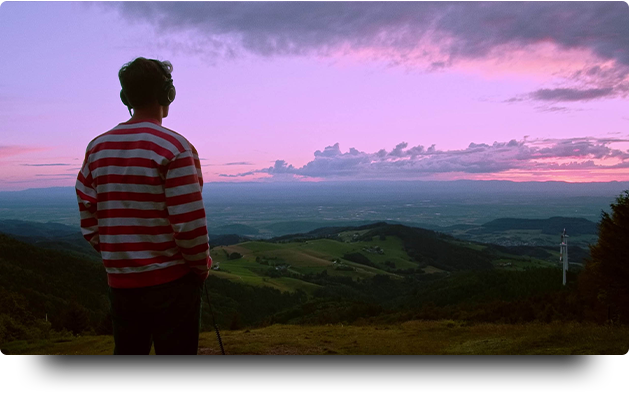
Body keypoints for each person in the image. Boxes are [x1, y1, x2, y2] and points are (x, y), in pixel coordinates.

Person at [75, 57, 212, 355]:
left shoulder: (96, 148)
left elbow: (89, 217)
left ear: (126, 97)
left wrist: (120, 254)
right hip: (174, 284)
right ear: (167, 94)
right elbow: (189, 225)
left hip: (121, 285)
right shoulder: (175, 148)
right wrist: (201, 267)